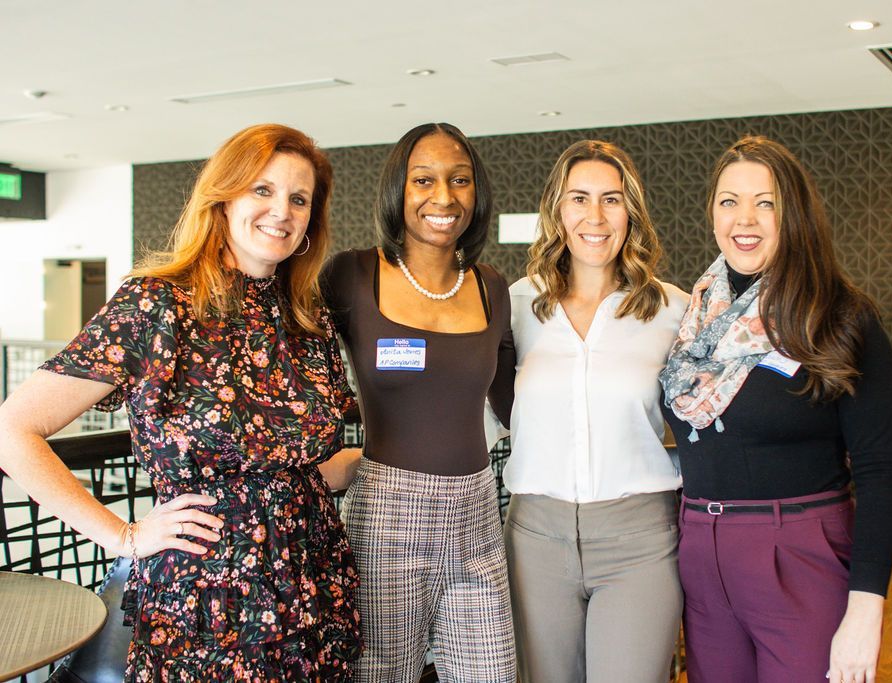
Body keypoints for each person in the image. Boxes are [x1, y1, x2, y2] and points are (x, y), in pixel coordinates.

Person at [0, 124, 362, 681]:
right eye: (261, 190)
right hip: (204, 600)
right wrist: (122, 535)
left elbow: (302, 471)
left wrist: (399, 459)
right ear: (223, 198)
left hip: (313, 583)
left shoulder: (307, 321)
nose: (281, 211)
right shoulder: (158, 304)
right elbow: (12, 430)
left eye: (299, 199)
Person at [659, 135, 892, 683]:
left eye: (765, 202)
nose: (744, 218)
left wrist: (867, 608)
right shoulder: (693, 315)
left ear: (792, 212)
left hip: (799, 554)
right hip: (700, 552)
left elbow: (881, 475)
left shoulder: (838, 315)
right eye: (729, 201)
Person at [319, 122, 516, 683]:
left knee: (491, 671)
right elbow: (290, 369)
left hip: (477, 510)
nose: (443, 197)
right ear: (397, 192)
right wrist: (333, 457)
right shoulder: (353, 275)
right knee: (380, 673)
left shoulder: (490, 286)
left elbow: (513, 402)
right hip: (388, 514)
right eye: (423, 180)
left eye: (460, 180)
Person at [498, 140, 688, 682]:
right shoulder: (512, 307)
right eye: (579, 198)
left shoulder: (673, 309)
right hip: (534, 538)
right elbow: (477, 414)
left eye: (612, 199)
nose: (596, 216)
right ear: (558, 209)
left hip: (640, 542)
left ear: (632, 212)